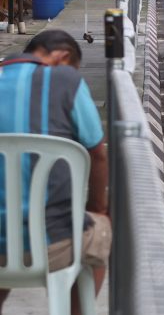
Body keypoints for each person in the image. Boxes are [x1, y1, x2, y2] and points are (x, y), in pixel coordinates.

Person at [0, 30, 110, 315]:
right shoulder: (65, 79)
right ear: (62, 58)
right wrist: (98, 209)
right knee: (99, 232)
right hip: (53, 245)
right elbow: (97, 154)